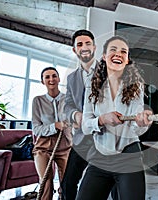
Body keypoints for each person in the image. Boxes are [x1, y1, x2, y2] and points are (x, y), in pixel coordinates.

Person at [77, 35, 153, 200]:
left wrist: (142, 122)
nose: (118, 54)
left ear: (127, 60)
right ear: (104, 56)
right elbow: (85, 126)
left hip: (129, 154)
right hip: (99, 156)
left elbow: (135, 128)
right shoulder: (92, 86)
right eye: (113, 49)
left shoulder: (136, 87)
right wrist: (102, 120)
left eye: (123, 52)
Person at [61, 29, 97, 199]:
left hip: (105, 137)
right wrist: (75, 115)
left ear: (94, 47)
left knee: (109, 184)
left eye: (88, 43)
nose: (84, 47)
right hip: (82, 137)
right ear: (74, 50)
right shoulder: (71, 78)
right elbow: (67, 105)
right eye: (80, 44)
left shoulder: (109, 71)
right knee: (68, 182)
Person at [32, 67, 72, 200]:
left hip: (65, 146)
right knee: (46, 183)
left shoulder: (68, 100)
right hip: (43, 147)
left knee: (67, 183)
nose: (51, 79)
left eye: (54, 76)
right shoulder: (37, 101)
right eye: (47, 77)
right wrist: (54, 126)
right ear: (42, 81)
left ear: (59, 79)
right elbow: (36, 129)